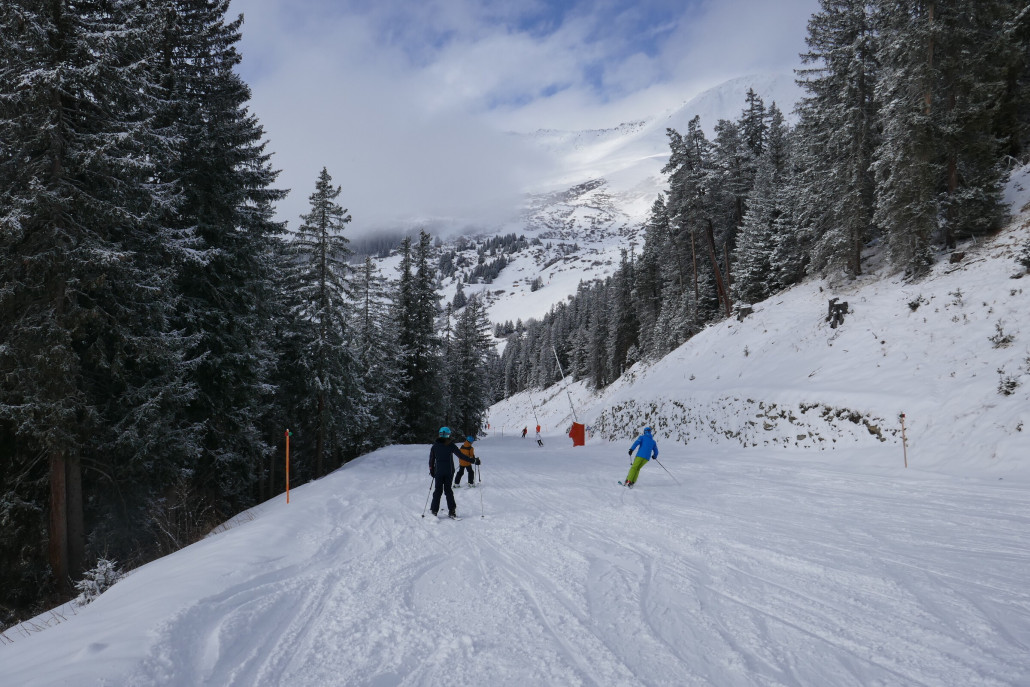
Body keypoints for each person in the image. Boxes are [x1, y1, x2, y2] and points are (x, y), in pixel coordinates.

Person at [429, 427, 465, 518]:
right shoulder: (451, 445)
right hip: (449, 472)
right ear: (448, 435)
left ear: (440, 434)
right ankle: (452, 511)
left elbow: (431, 460)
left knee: (438, 490)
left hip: (438, 472)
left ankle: (434, 510)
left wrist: (432, 470)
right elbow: (461, 456)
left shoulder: (435, 446)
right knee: (448, 490)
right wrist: (473, 460)